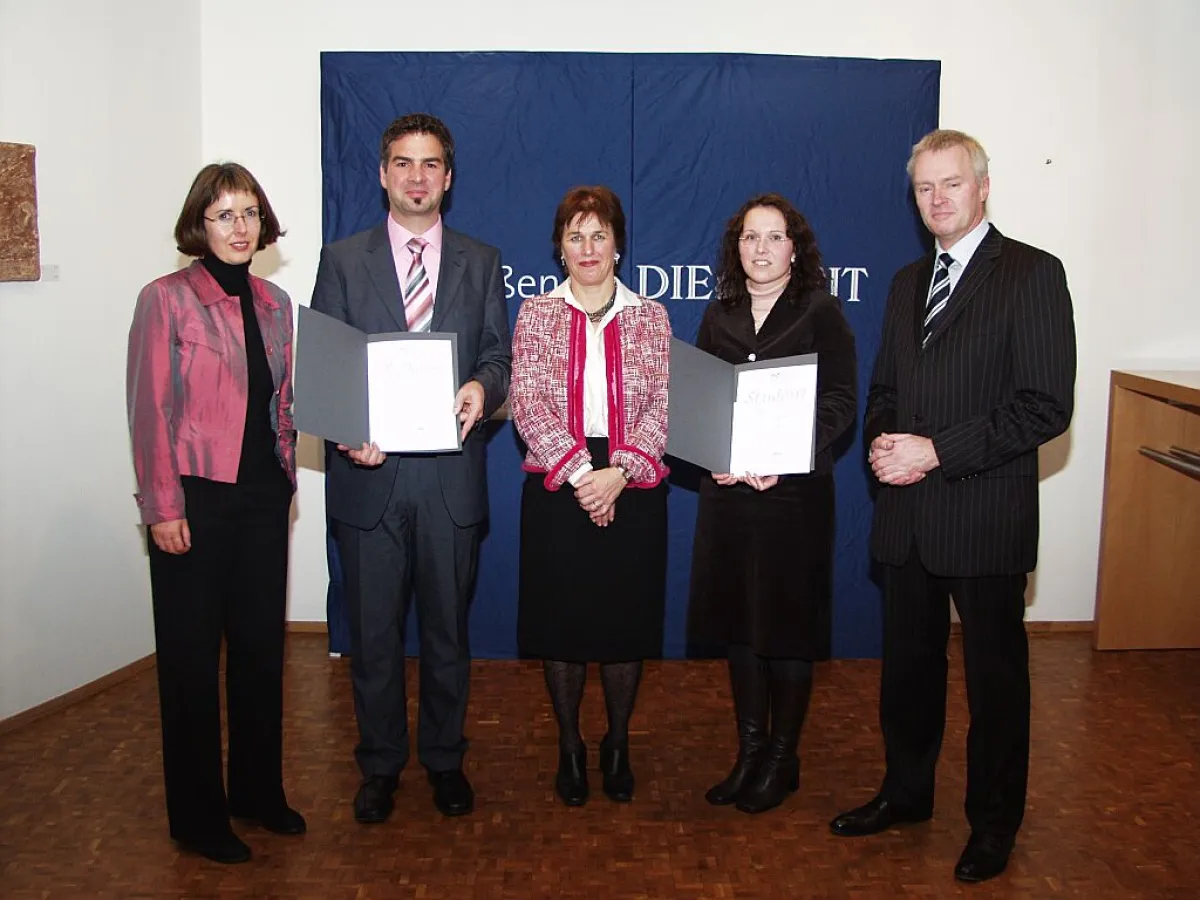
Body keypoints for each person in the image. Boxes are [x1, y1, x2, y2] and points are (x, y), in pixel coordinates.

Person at [829, 129, 1077, 884]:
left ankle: (993, 824)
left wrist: (935, 450)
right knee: (908, 671)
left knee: (996, 681)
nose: (937, 200)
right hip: (907, 519)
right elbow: (885, 392)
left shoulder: (1032, 273)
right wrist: (879, 442)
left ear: (983, 187)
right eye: (924, 189)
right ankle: (906, 795)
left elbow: (1044, 406)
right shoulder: (908, 282)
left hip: (983, 515)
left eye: (952, 185)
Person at [311, 113, 511, 821]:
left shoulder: (481, 261)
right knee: (372, 637)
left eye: (430, 165)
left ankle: (445, 761)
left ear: (448, 178)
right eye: (403, 163)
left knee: (448, 634)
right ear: (381, 172)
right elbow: (328, 368)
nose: (416, 177)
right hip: (368, 478)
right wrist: (347, 430)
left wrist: (483, 389)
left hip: (450, 480)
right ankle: (380, 766)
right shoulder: (341, 260)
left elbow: (498, 358)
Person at [126, 163, 304, 864]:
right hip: (194, 501)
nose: (239, 227)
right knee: (191, 666)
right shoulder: (165, 300)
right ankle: (198, 818)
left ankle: (256, 793)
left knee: (262, 656)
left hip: (263, 501)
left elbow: (286, 404)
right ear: (198, 225)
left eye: (250, 213)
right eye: (224, 214)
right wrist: (162, 507)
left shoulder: (276, 303)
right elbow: (150, 411)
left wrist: (301, 467)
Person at [687, 194, 857, 814]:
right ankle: (749, 752)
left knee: (786, 632)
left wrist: (784, 455)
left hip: (794, 499)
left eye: (774, 236)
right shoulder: (718, 314)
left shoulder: (821, 311)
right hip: (731, 495)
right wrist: (715, 453)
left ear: (795, 247)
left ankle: (783, 760)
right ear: (737, 248)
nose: (760, 248)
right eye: (749, 237)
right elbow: (702, 401)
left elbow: (840, 403)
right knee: (740, 629)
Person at [510, 186, 670, 807]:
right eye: (574, 236)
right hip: (560, 486)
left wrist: (618, 474)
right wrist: (584, 475)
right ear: (559, 248)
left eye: (598, 235)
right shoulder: (536, 315)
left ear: (618, 245)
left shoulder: (651, 317)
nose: (587, 248)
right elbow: (528, 404)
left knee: (623, 627)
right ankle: (570, 745)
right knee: (564, 627)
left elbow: (660, 408)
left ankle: (619, 741)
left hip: (632, 484)